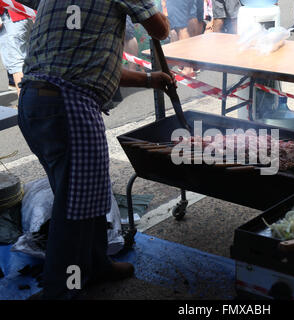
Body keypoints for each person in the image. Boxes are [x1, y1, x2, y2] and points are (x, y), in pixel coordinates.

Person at [17, 0, 173, 300]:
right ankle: (60, 291)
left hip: (37, 102)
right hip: (66, 105)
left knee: (83, 197)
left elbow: (91, 65)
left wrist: (151, 79)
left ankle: (96, 264)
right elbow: (160, 29)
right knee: (72, 210)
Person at [0, 1, 33, 97]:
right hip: (25, 14)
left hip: (12, 15)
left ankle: (24, 104)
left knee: (16, 64)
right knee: (26, 61)